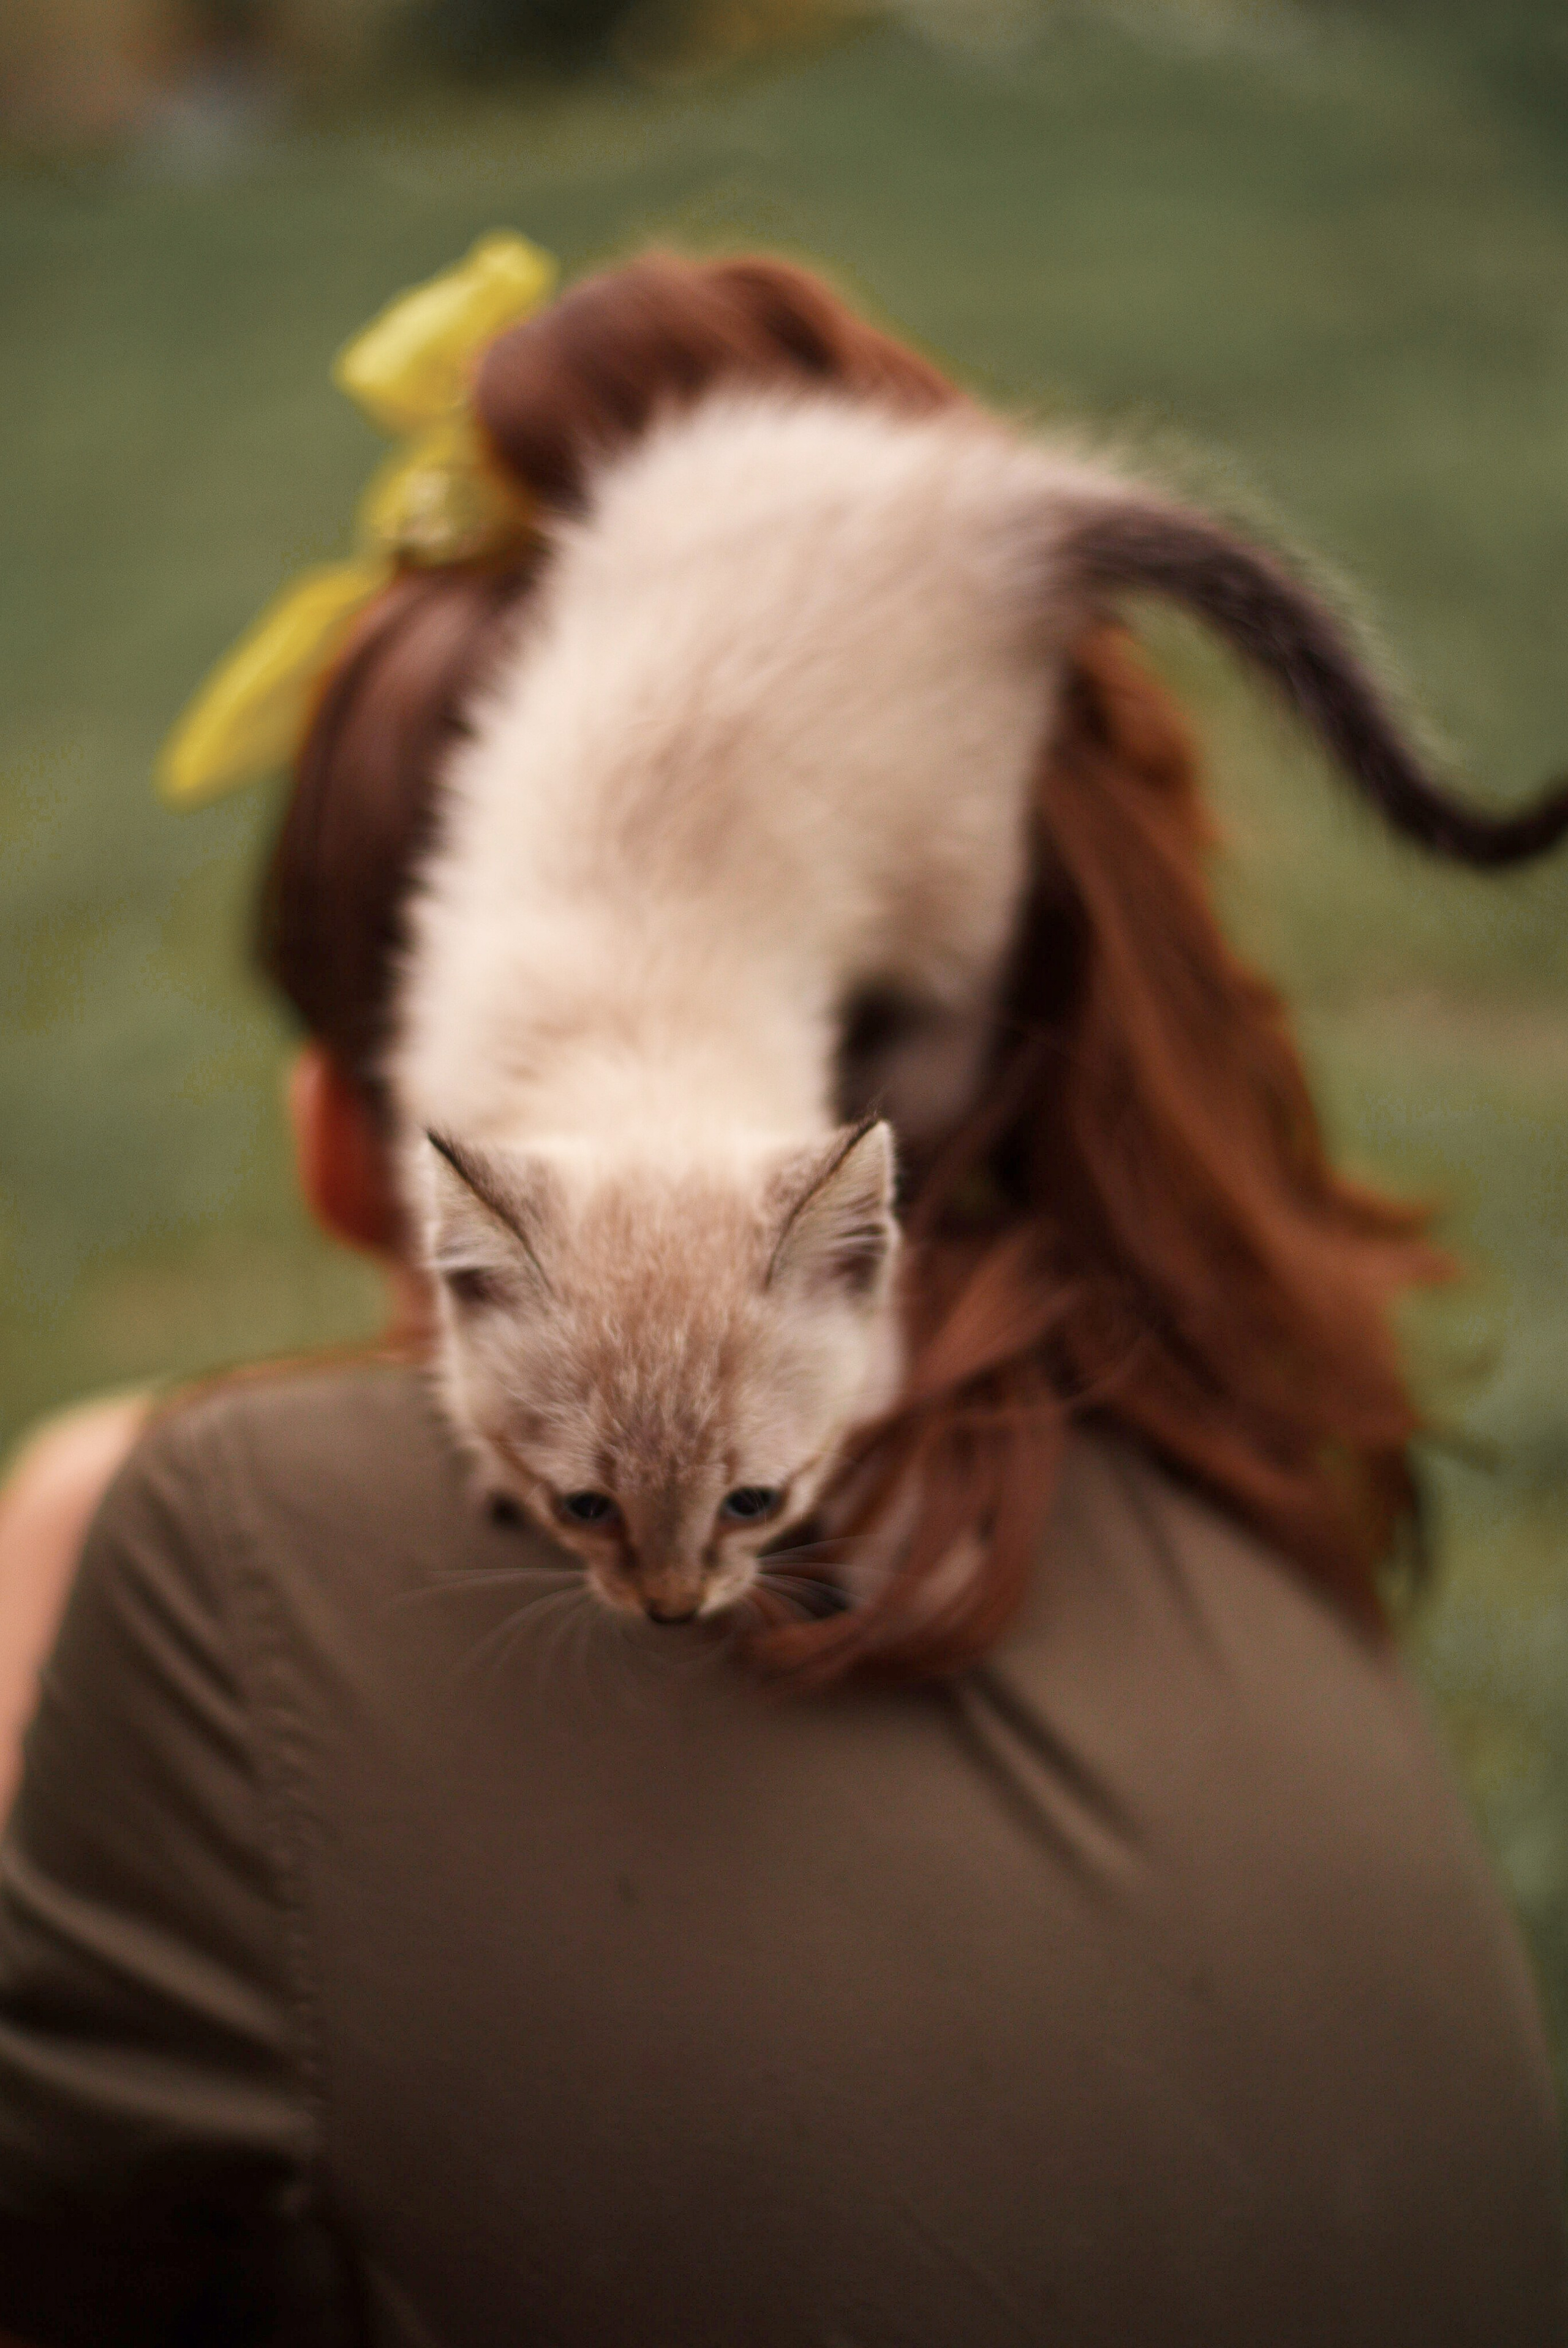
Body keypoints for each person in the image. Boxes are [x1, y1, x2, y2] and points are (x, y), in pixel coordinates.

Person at [0, 245, 1564, 2348]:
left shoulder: (219, 1550)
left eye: (729, 1519)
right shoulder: (1266, 1505)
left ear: (328, 1135)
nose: (662, 1601)